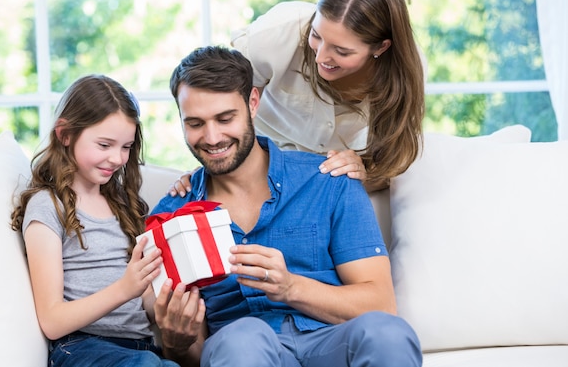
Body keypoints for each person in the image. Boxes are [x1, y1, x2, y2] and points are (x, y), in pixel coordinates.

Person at [151, 46, 422, 367]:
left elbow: (381, 303)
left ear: (253, 103)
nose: (212, 137)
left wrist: (292, 287)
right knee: (244, 338)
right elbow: (193, 353)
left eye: (225, 118)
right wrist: (175, 342)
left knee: (386, 333)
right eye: (195, 123)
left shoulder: (328, 179)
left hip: (331, 340)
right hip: (240, 348)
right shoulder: (171, 218)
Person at [169, 0, 424, 196]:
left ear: (381, 47)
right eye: (316, 35)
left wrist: (365, 173)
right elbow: (220, 106)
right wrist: (215, 169)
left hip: (331, 182)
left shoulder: (401, 73)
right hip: (258, 166)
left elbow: (395, 159)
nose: (321, 57)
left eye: (342, 51)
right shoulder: (278, 31)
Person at [10, 75, 179, 367]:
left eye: (126, 147)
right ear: (64, 134)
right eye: (104, 145)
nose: (117, 158)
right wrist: (125, 288)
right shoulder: (48, 207)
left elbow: (146, 301)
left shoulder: (123, 205)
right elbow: (51, 320)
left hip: (140, 348)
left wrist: (168, 304)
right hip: (81, 346)